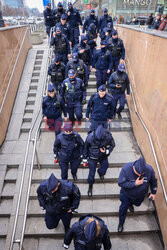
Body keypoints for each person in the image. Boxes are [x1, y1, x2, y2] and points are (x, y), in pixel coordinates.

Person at [118, 157, 158, 232]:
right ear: (134, 167)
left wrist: (153, 192)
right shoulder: (126, 169)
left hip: (140, 196)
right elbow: (121, 183)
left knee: (137, 204)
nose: (140, 175)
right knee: (123, 209)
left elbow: (154, 181)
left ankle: (131, 204)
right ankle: (121, 223)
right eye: (138, 173)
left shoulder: (149, 170)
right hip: (126, 195)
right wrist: (135, 184)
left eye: (142, 174)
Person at [83, 125, 115, 196]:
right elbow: (85, 148)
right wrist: (84, 159)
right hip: (92, 157)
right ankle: (90, 185)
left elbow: (113, 145)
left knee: (105, 166)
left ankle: (100, 172)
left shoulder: (108, 136)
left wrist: (106, 151)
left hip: (102, 156)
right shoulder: (90, 137)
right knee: (91, 174)